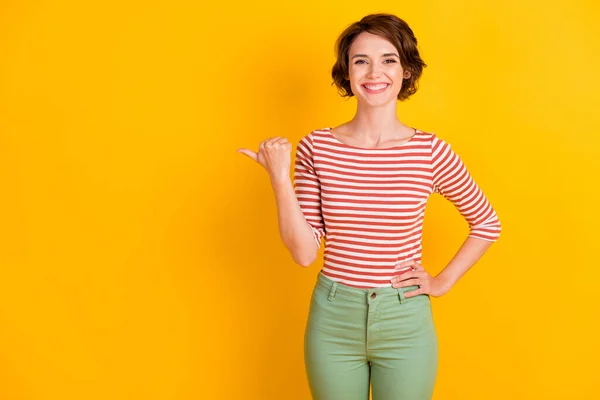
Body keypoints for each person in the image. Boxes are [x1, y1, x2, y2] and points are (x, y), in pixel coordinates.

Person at [237, 13, 501, 400]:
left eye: (388, 59)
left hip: (404, 319)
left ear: (407, 70)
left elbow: (486, 222)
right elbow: (304, 253)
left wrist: (441, 282)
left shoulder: (429, 152)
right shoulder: (317, 147)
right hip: (333, 317)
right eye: (361, 60)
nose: (374, 72)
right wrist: (279, 177)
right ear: (346, 72)